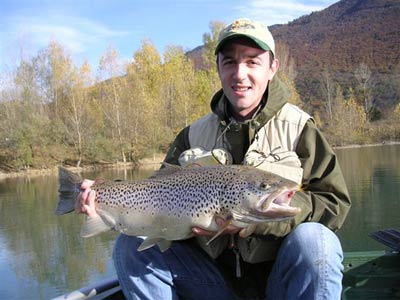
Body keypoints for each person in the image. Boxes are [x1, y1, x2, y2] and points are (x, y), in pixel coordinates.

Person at [78, 18, 351, 300]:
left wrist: (261, 221)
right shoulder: (191, 136)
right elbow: (152, 193)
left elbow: (334, 203)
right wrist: (102, 197)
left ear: (272, 68)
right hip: (210, 284)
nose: (240, 74)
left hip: (281, 283)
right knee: (129, 246)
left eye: (252, 62)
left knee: (317, 243)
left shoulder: (300, 129)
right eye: (230, 62)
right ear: (219, 68)